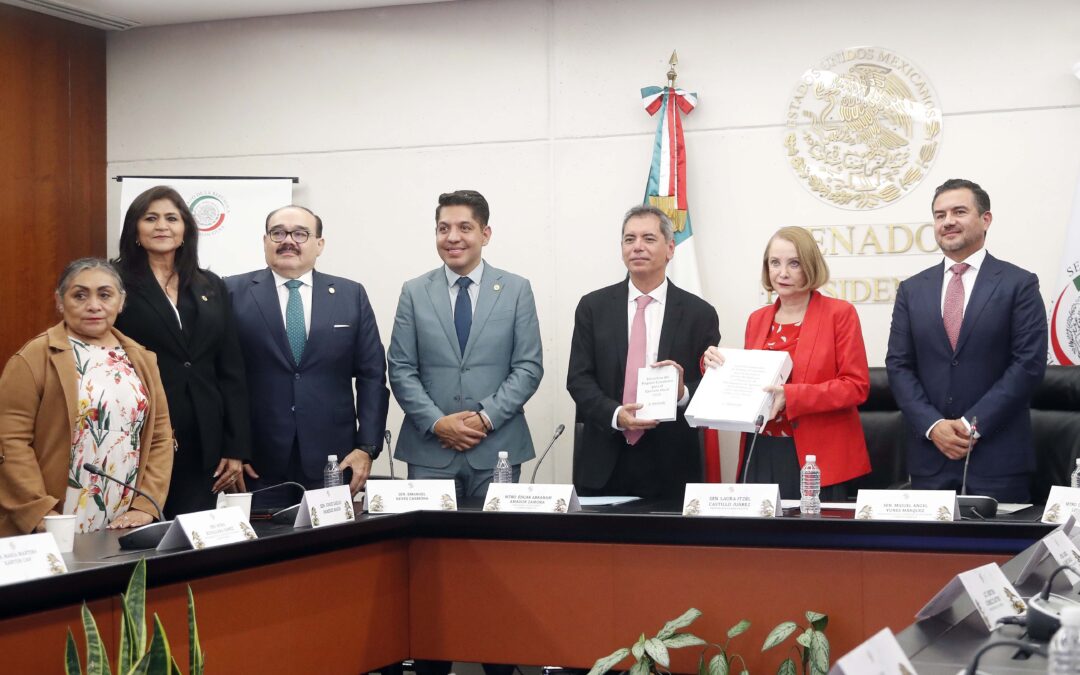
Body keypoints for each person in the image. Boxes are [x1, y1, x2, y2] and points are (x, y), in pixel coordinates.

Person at [886, 178, 1047, 502]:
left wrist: (970, 424)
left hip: (998, 462)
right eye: (940, 215)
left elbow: (1028, 365)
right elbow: (899, 365)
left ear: (985, 219)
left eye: (959, 212)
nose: (948, 221)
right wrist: (933, 425)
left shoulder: (1019, 284)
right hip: (930, 458)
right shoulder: (912, 290)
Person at [226, 205, 389, 501]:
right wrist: (231, 447)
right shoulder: (231, 292)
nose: (288, 240)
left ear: (319, 244)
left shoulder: (350, 295)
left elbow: (372, 376)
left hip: (334, 461)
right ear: (265, 241)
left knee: (333, 533)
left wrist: (366, 447)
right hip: (255, 463)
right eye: (278, 233)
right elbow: (218, 376)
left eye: (300, 234)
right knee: (260, 533)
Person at [388, 190, 543, 501]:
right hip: (430, 450)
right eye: (443, 228)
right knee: (430, 535)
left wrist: (485, 418)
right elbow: (401, 368)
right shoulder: (414, 292)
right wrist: (437, 422)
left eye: (465, 227)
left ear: (485, 234)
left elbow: (528, 367)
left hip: (497, 448)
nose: (452, 237)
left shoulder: (516, 290)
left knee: (496, 534)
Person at [0, 259, 173, 536]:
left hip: (123, 520)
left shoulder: (142, 359)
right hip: (53, 520)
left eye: (105, 295)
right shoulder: (34, 356)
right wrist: (38, 511)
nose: (93, 305)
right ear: (60, 301)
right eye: (80, 295)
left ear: (121, 302)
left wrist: (145, 506)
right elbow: (10, 440)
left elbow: (161, 438)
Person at [703, 227, 871, 500]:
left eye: (794, 263)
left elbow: (856, 386)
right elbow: (750, 379)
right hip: (762, 448)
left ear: (810, 266)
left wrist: (792, 396)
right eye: (775, 263)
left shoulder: (840, 314)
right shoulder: (757, 319)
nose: (782, 273)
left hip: (816, 456)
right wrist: (714, 366)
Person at [113, 186, 249, 517]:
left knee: (195, 531)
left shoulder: (209, 284)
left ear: (185, 229)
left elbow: (230, 369)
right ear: (134, 229)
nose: (162, 226)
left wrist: (236, 446)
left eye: (171, 218)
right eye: (151, 218)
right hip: (141, 433)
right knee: (141, 531)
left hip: (205, 436)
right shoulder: (114, 282)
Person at [567, 204, 720, 499]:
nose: (637, 247)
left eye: (648, 239)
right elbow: (578, 379)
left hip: (672, 463)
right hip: (604, 458)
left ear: (670, 248)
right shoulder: (593, 307)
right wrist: (616, 414)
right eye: (629, 239)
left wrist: (682, 393)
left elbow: (710, 384)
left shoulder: (699, 313)